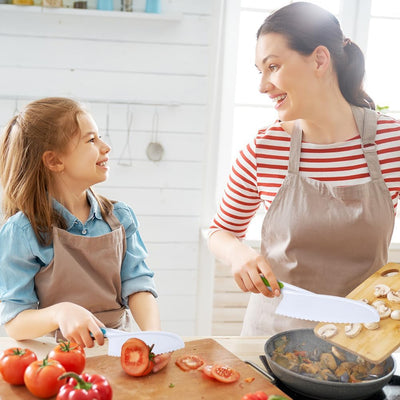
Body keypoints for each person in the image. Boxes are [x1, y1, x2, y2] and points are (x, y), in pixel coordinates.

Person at [208, 2, 400, 335]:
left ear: (320, 60)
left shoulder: (391, 143)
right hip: (271, 338)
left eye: (273, 66)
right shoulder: (265, 148)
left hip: (360, 340)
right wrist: (238, 254)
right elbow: (221, 231)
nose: (263, 85)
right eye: (260, 71)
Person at [0, 97, 170, 371]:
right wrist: (61, 311)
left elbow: (138, 285)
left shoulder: (120, 217)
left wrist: (154, 337)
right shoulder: (21, 231)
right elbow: (15, 323)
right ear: (54, 161)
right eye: (91, 140)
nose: (106, 147)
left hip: (118, 353)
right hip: (54, 360)